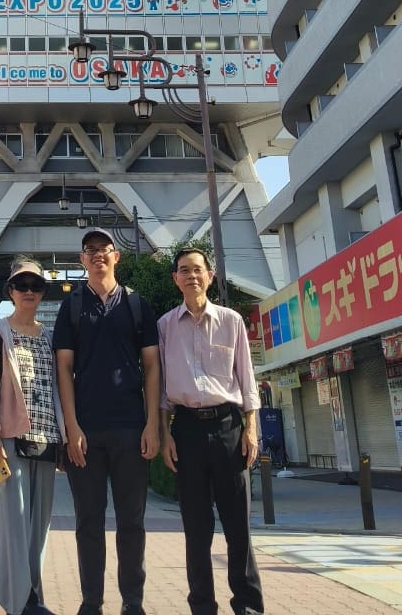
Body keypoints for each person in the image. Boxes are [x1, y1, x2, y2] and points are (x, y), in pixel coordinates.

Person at [53, 227, 160, 615]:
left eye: (105, 249)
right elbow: (64, 369)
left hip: (131, 428)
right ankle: (91, 603)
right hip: (86, 432)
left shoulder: (137, 304)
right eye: (90, 250)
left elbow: (152, 366)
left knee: (132, 522)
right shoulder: (72, 306)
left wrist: (152, 424)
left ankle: (133, 603)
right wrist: (71, 427)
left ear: (117, 256)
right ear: (82, 260)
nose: (98, 254)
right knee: (88, 523)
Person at [158, 247, 263, 615]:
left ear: (210, 275)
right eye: (184, 270)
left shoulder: (231, 321)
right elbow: (162, 388)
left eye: (197, 269)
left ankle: (248, 607)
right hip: (186, 429)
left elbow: (246, 378)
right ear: (176, 279)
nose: (192, 276)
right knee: (196, 529)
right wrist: (165, 434)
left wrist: (251, 428)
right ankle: (202, 607)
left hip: (228, 427)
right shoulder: (165, 326)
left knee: (238, 528)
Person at [0, 257, 65, 615]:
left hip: (46, 439)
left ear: (42, 292)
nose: (29, 291)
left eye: (36, 286)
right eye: (21, 285)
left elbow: (59, 388)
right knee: (12, 523)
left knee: (38, 526)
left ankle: (33, 597)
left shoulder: (50, 337)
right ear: (10, 291)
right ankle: (18, 602)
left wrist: (65, 437)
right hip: (8, 441)